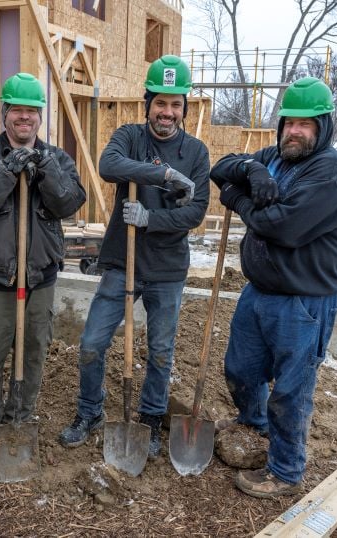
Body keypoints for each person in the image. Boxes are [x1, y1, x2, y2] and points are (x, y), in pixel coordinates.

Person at [209, 76, 337, 498]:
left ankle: (286, 470)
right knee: (240, 370)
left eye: (306, 124)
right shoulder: (273, 157)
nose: (295, 130)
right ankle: (252, 423)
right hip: (259, 292)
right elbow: (222, 169)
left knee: (291, 391)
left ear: (323, 126)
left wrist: (237, 200)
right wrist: (251, 168)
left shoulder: (331, 171)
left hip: (304, 301)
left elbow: (284, 227)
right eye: (290, 121)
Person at [58, 55, 210, 460]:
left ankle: (149, 418)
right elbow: (109, 165)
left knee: (160, 351)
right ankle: (90, 412)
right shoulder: (128, 136)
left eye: (176, 104)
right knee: (91, 343)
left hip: (167, 268)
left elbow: (195, 212)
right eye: (160, 103)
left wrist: (150, 218)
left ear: (184, 107)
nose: (167, 112)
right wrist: (161, 175)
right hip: (122, 263)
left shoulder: (195, 151)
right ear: (148, 103)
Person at [0, 73, 86, 460]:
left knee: (33, 354)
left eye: (31, 111)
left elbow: (69, 202)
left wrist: (45, 170)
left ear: (40, 116)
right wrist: (7, 169)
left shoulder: (57, 157)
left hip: (39, 278)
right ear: (4, 113)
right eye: (17, 110)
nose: (24, 118)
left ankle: (19, 419)